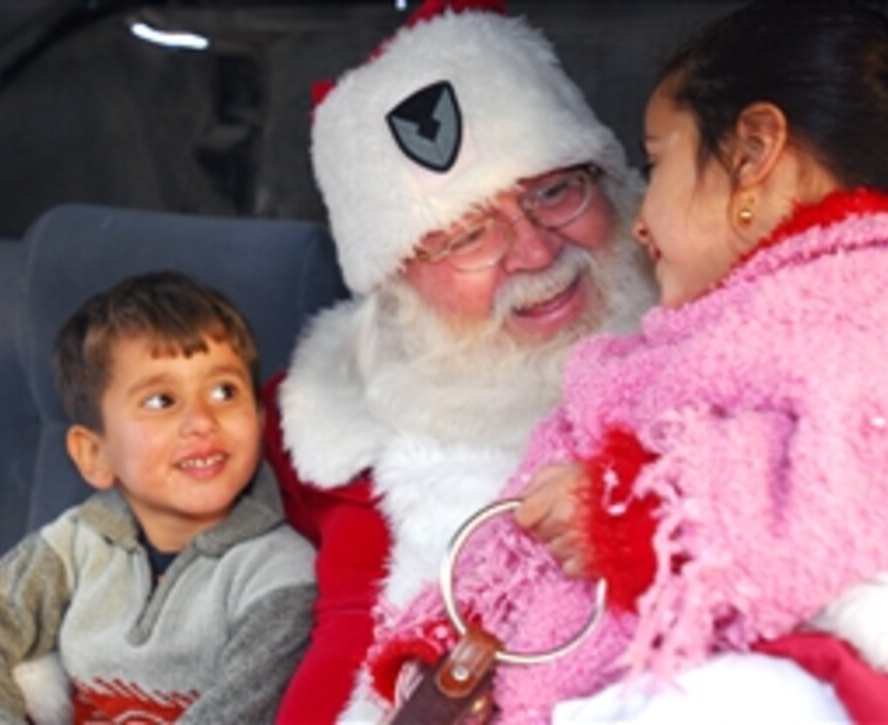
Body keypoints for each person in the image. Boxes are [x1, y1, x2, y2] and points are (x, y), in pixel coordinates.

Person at [366, 3, 888, 722]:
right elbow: (541, 501)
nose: (639, 217)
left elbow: (884, 486)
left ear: (753, 151)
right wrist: (441, 648)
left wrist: (630, 513)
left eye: (657, 162)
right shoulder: (719, 324)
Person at [263, 0, 658, 721]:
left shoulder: (725, 353)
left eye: (554, 190)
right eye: (468, 236)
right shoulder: (311, 430)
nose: (537, 253)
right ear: (395, 285)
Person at [0, 271, 316, 723]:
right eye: (161, 401)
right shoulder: (78, 544)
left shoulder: (281, 575)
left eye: (224, 391)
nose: (201, 421)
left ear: (259, 420)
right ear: (95, 454)